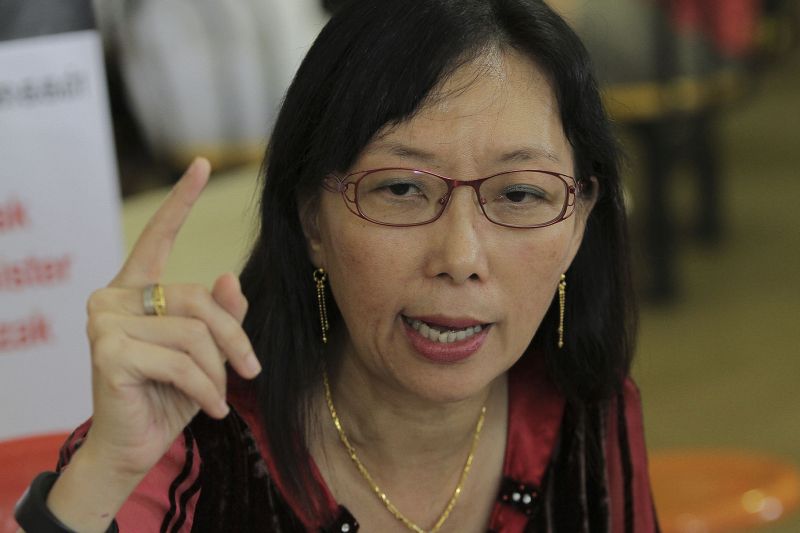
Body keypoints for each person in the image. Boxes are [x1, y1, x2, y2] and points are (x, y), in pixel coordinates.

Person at [15, 0, 659, 531]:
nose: (460, 258)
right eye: (401, 189)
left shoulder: (582, 405)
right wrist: (106, 470)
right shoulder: (186, 441)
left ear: (579, 218)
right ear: (311, 218)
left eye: (520, 193)